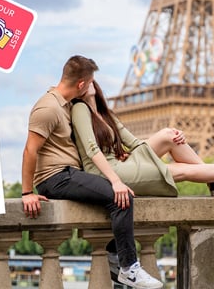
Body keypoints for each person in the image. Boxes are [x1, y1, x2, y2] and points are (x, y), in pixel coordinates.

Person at [21, 55, 164, 289]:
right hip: (56, 178)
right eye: (90, 83)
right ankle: (128, 268)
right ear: (81, 84)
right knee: (121, 198)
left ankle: (114, 261)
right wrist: (27, 192)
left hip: (69, 174)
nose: (92, 87)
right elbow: (30, 150)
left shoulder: (65, 104)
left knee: (113, 195)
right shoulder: (47, 108)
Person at [70, 80, 214, 198]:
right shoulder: (80, 108)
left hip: (122, 163)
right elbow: (91, 150)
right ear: (77, 88)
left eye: (90, 78)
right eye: (82, 80)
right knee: (181, 170)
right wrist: (115, 181)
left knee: (170, 135)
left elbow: (133, 142)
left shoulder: (105, 113)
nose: (87, 81)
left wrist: (171, 140)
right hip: (108, 173)